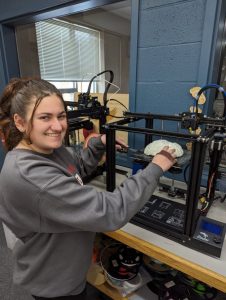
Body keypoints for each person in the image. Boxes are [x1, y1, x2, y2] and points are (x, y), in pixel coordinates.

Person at [0, 78, 176, 300]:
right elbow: (109, 212)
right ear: (20, 122)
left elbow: (75, 168)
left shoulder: (47, 149)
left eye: (61, 116)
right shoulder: (30, 176)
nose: (57, 126)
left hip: (68, 264)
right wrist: (155, 168)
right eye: (45, 117)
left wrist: (98, 143)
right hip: (55, 282)